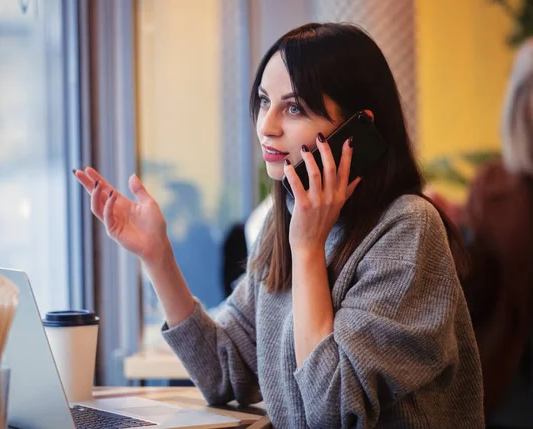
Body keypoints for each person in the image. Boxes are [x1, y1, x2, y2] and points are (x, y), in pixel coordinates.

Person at [74, 23, 484, 428]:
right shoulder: (285, 218)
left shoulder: (408, 229)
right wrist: (157, 256)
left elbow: (331, 412)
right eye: (264, 101)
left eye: (293, 108)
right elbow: (223, 372)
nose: (266, 126)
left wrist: (307, 249)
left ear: (355, 132)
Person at [427, 38, 533, 428]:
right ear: (523, 105)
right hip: (513, 379)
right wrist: (449, 232)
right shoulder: (494, 187)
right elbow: (476, 290)